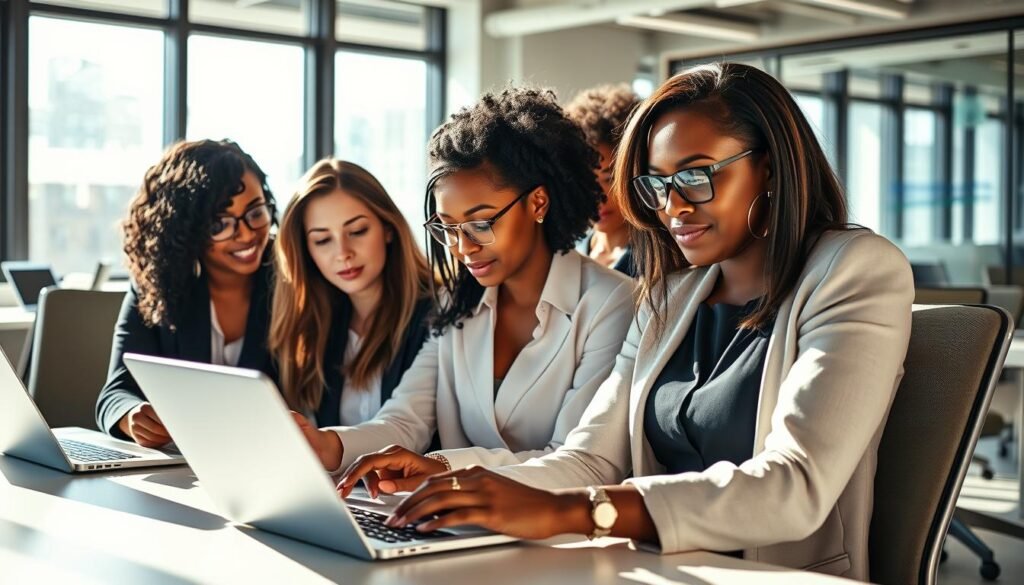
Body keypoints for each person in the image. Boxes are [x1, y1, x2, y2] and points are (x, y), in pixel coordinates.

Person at [376, 63, 913, 582]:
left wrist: (588, 513)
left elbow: (795, 485)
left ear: (769, 165)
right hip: (654, 569)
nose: (673, 206)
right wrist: (461, 484)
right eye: (657, 186)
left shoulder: (854, 270)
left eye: (696, 176)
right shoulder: (668, 297)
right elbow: (589, 463)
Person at [296, 87, 633, 495]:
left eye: (481, 223)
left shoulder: (611, 303)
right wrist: (326, 444)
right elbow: (406, 420)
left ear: (538, 203)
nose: (462, 247)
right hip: (453, 530)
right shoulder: (458, 303)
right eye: (447, 228)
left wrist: (443, 468)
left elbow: (582, 463)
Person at [96, 139, 278, 448]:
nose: (247, 234)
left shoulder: (293, 277)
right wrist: (131, 416)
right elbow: (114, 394)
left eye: (255, 212)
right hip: (186, 469)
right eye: (220, 223)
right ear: (185, 228)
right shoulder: (159, 286)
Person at [269, 159, 433, 463]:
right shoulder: (315, 324)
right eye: (322, 240)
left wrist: (326, 446)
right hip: (342, 496)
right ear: (307, 250)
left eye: (357, 231)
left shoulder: (436, 314)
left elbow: (409, 428)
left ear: (387, 228)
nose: (343, 253)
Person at [565, 84, 639, 276]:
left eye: (609, 178)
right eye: (586, 180)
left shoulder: (658, 260)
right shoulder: (567, 255)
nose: (598, 195)